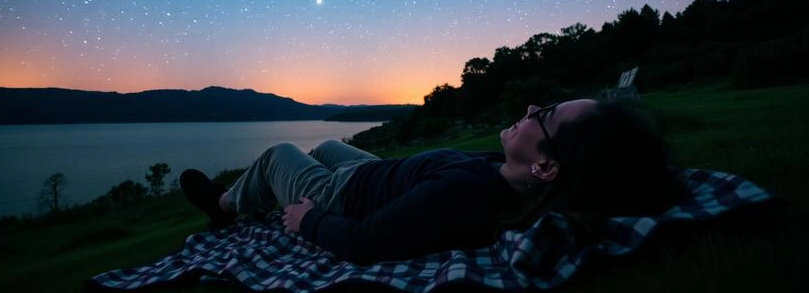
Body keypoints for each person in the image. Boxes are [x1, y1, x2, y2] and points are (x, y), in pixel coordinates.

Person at [180, 99, 682, 265]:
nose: (531, 107)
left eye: (545, 115)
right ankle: (269, 191)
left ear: (547, 167)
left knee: (277, 155)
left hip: (345, 195)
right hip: (374, 172)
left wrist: (308, 220)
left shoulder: (464, 194)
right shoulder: (504, 173)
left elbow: (365, 242)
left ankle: (223, 205)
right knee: (327, 147)